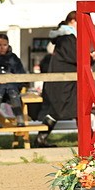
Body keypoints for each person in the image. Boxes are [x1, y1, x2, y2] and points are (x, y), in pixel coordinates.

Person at [36, 12, 79, 147]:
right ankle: (40, 139)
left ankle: (91, 138)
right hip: (63, 81)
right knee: (57, 110)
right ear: (73, 21)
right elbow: (74, 56)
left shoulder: (64, 37)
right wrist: (90, 58)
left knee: (79, 109)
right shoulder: (67, 38)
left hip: (66, 79)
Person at [0, 33, 27, 129]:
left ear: (8, 45)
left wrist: (10, 78)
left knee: (10, 87)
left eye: (4, 45)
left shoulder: (13, 58)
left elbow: (21, 75)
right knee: (1, 87)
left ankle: (19, 119)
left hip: (12, 89)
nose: (2, 48)